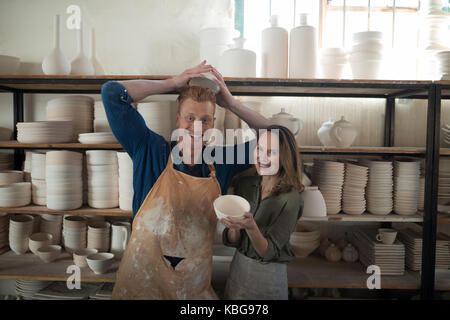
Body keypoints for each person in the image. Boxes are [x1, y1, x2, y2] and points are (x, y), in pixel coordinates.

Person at [101, 61, 271, 299]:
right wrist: (172, 83)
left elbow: (276, 138)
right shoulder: (150, 149)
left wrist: (231, 103)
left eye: (206, 120)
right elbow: (111, 93)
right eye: (190, 118)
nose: (197, 127)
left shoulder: (222, 161)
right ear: (178, 119)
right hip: (140, 287)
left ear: (214, 124)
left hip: (191, 291)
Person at [220, 125, 304, 300]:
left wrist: (251, 227)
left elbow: (267, 252)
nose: (262, 156)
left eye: (271, 152)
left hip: (269, 277)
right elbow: (232, 241)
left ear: (284, 158)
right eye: (259, 148)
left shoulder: (291, 198)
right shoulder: (245, 185)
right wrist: (234, 226)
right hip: (238, 270)